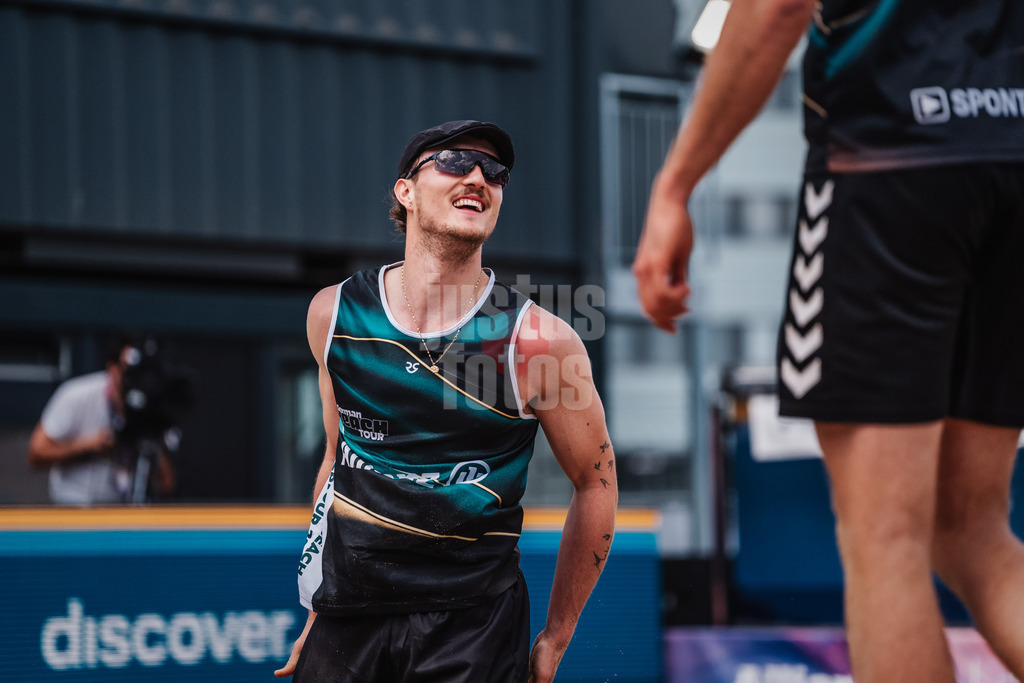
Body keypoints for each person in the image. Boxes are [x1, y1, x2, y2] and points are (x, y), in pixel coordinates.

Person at [633, 1, 1024, 682]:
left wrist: (674, 185)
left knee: (884, 537)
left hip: (890, 157)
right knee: (970, 531)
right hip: (1014, 160)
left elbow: (773, 8)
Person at [274, 120, 618, 683]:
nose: (479, 177)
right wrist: (317, 602)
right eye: (456, 161)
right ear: (405, 191)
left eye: (496, 172)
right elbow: (338, 460)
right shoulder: (332, 314)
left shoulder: (540, 341)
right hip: (349, 614)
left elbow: (597, 482)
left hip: (472, 625)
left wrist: (556, 637)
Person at [27, 337, 177, 505]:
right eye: (128, 372)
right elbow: (36, 452)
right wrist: (87, 446)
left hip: (120, 512)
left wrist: (150, 436)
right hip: (71, 506)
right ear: (112, 370)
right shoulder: (76, 395)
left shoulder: (151, 405)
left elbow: (166, 483)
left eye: (140, 373)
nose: (133, 380)